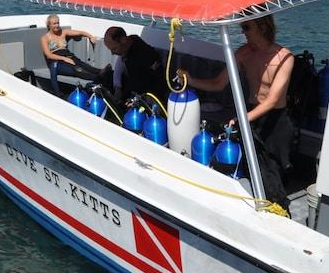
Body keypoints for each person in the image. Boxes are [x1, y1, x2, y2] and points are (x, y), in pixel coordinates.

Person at [178, 15, 295, 205]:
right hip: (250, 113)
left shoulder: (284, 57)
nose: (243, 32)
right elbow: (218, 83)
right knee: (251, 166)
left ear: (262, 26)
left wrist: (243, 118)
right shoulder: (243, 53)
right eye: (242, 27)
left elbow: (272, 100)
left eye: (247, 27)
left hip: (275, 120)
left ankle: (280, 209)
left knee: (275, 170)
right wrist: (190, 80)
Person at [40, 14, 104, 96]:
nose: (57, 25)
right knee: (77, 69)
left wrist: (90, 36)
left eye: (58, 23)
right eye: (54, 23)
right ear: (49, 25)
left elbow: (80, 32)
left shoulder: (63, 32)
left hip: (69, 56)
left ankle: (102, 72)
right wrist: (64, 59)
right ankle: (97, 78)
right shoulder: (45, 38)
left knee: (85, 66)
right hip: (56, 61)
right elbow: (49, 55)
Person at [102, 26, 169, 103]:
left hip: (147, 91)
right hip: (133, 84)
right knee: (106, 76)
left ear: (123, 40)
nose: (112, 53)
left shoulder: (143, 54)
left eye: (114, 49)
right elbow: (120, 63)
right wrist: (118, 88)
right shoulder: (129, 43)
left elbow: (158, 81)